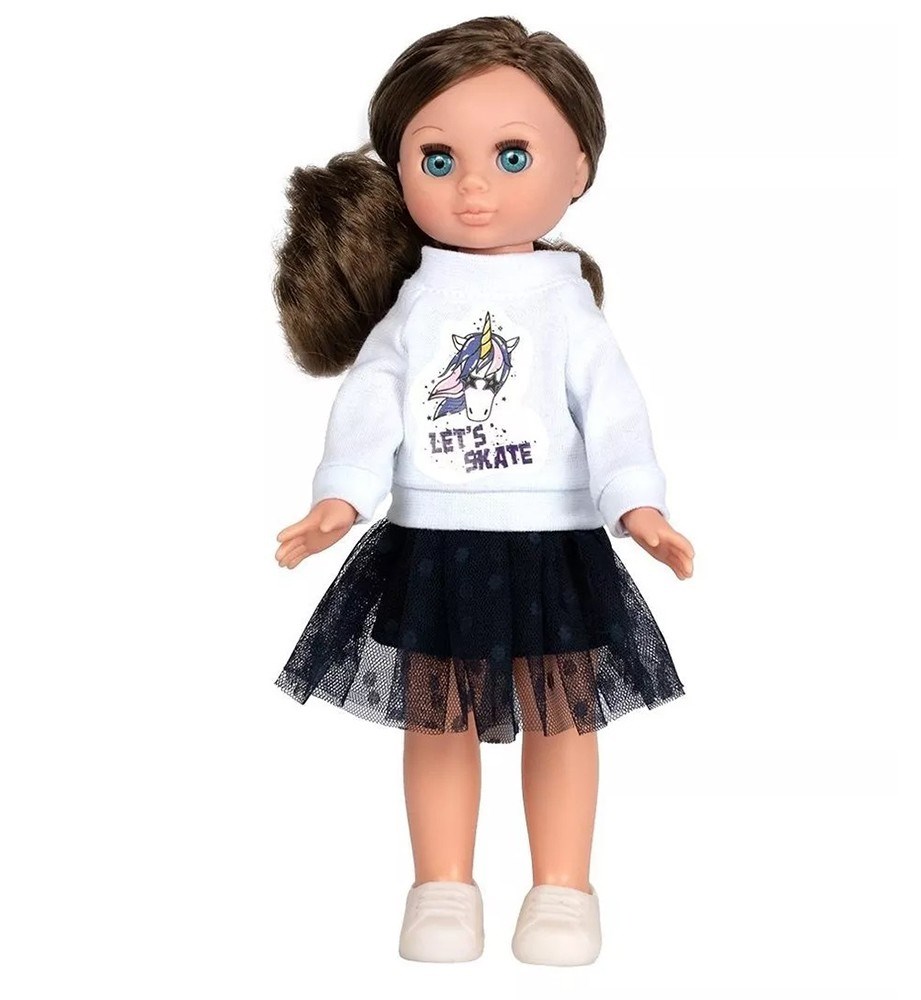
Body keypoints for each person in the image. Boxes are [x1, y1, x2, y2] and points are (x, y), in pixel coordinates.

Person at [271, 15, 695, 966]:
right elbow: (372, 400)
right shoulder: (418, 302)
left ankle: (562, 890)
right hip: (437, 538)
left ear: (577, 167)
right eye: (439, 159)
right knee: (437, 718)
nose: (472, 186)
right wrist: (342, 496)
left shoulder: (567, 305)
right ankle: (442, 886)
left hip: (553, 540)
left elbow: (613, 410)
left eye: (511, 156)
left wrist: (638, 503)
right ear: (398, 170)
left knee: (563, 717)